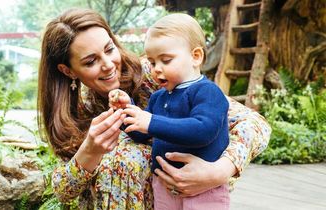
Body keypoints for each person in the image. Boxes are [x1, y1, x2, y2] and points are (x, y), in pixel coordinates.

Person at [37, 8, 271, 210]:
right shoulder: (73, 114)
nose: (108, 65)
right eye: (91, 61)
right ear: (68, 71)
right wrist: (89, 151)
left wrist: (220, 171)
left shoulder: (157, 74)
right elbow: (62, 191)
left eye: (109, 49)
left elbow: (255, 124)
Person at [108, 13, 230, 209]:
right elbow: (142, 133)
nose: (156, 69)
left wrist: (151, 122)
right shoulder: (158, 97)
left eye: (166, 60)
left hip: (203, 189)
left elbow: (204, 130)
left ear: (195, 56)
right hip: (164, 186)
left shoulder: (208, 92)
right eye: (153, 62)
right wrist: (126, 110)